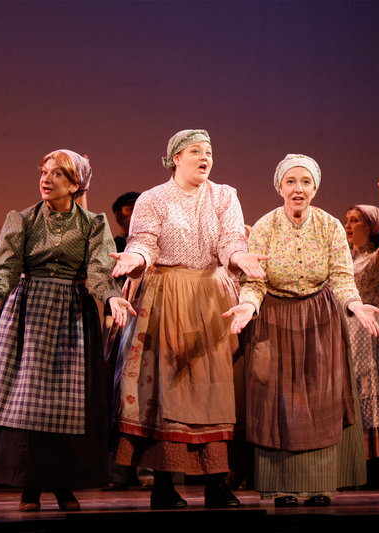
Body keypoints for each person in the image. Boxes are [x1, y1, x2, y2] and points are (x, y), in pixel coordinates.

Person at [0, 150, 135, 512]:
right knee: (27, 403)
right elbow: (4, 269)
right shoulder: (21, 220)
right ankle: (30, 487)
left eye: (57, 174)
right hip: (27, 314)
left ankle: (64, 485)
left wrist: (111, 298)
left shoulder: (92, 223)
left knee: (68, 404)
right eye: (44, 172)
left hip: (71, 315)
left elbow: (99, 271)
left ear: (75, 184)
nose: (46, 179)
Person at [109, 129, 266, 510]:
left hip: (211, 297)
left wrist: (240, 257)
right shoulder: (153, 198)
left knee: (213, 391)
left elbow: (231, 239)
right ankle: (163, 484)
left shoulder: (224, 195)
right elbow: (144, 240)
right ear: (175, 157)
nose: (205, 157)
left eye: (209, 151)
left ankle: (216, 483)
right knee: (167, 392)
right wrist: (136, 259)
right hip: (166, 296)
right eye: (196, 151)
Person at [223, 154, 379, 507]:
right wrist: (248, 305)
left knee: (320, 400)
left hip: (319, 319)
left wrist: (355, 306)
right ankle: (282, 486)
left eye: (306, 182)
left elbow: (342, 278)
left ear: (315, 187)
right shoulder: (265, 226)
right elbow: (255, 282)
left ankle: (320, 486)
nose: (299, 189)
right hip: (274, 319)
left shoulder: (328, 226)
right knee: (277, 403)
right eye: (291, 182)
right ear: (280, 186)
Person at [343, 204, 379, 489]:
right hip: (343, 329)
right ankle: (347, 463)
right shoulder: (342, 258)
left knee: (368, 387)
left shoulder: (376, 257)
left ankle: (372, 466)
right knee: (346, 390)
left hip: (367, 329)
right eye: (347, 220)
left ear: (372, 226)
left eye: (356, 220)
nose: (349, 225)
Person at [102, 191, 155, 492]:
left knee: (149, 394)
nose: (132, 217)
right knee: (118, 396)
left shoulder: (156, 243)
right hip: (118, 324)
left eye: (137, 210)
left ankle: (149, 470)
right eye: (126, 213)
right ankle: (120, 471)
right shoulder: (114, 246)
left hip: (150, 321)